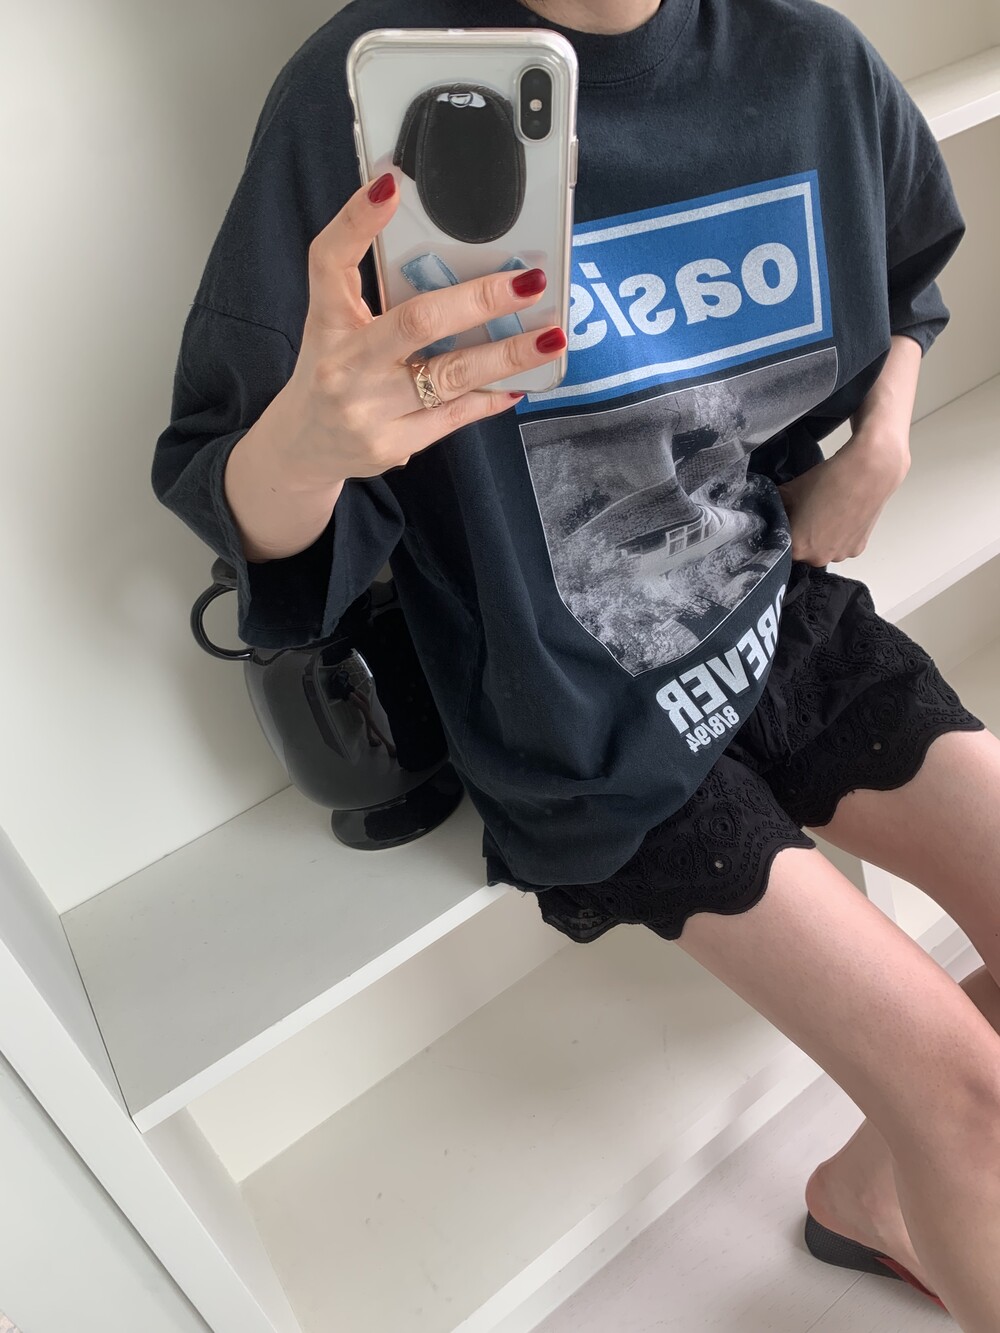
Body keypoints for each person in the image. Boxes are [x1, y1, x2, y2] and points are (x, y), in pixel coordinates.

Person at [152, 0, 1000, 1324]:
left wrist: (877, 449)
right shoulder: (357, 99)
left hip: (772, 602)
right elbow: (233, 498)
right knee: (973, 1100)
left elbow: (910, 282)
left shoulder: (807, 60)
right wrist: (312, 442)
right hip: (569, 708)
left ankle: (870, 1195)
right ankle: (904, 1181)